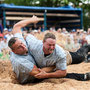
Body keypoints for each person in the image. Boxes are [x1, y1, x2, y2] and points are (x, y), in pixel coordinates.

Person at [8, 16, 90, 84]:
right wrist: (54, 66)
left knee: (80, 57)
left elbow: (16, 27)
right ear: (14, 51)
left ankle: (87, 46)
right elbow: (39, 73)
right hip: (33, 78)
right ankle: (84, 76)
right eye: (19, 47)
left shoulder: (26, 42)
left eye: (22, 43)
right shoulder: (20, 61)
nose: (23, 46)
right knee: (53, 75)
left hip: (53, 59)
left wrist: (32, 20)